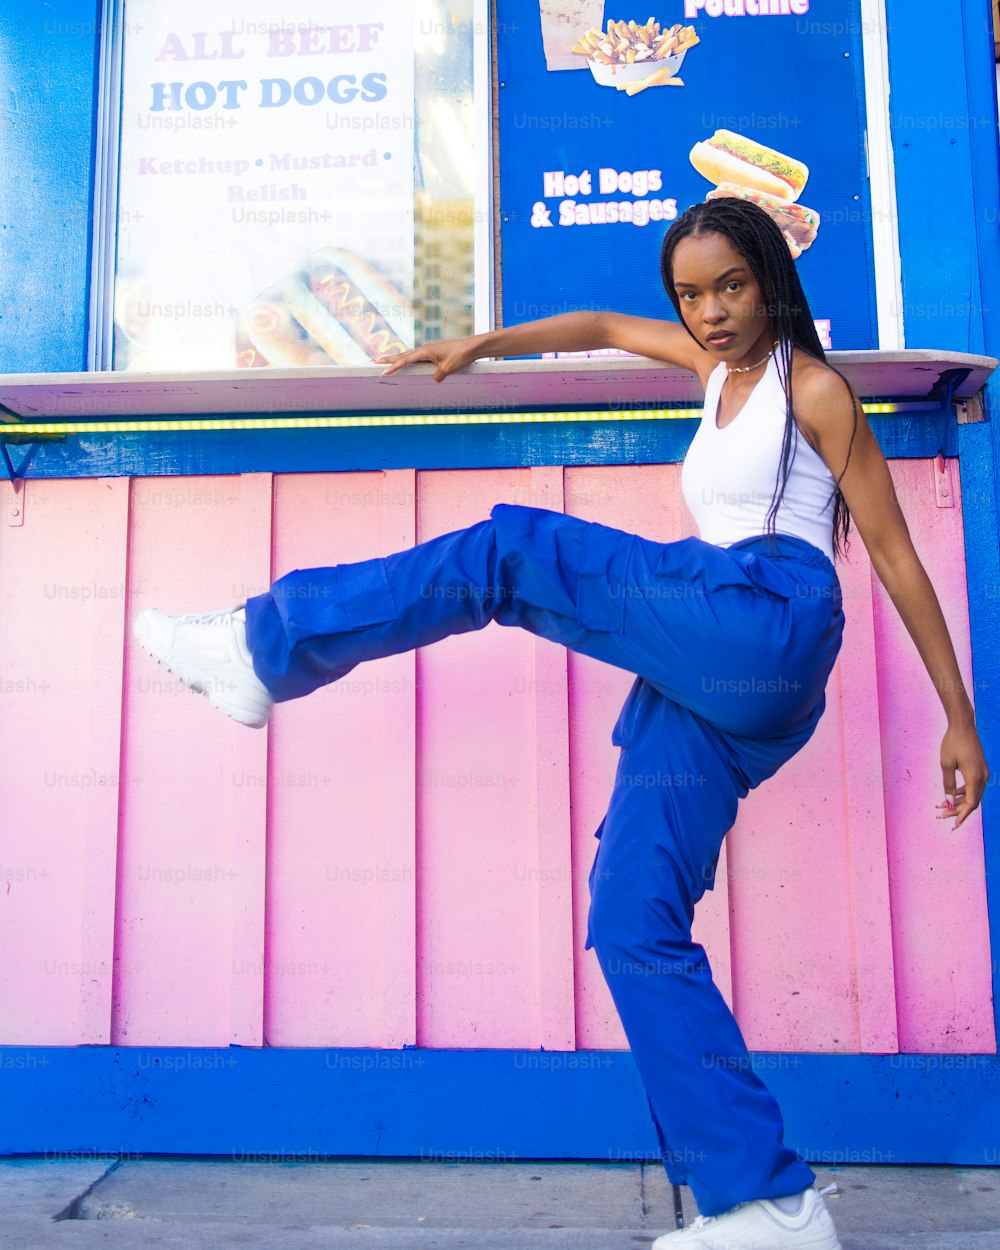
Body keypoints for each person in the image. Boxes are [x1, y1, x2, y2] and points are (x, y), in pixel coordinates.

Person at [133, 198, 989, 1249]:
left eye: (729, 285)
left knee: (508, 553)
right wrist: (484, 343)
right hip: (716, 669)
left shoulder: (811, 388)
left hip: (767, 618)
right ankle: (767, 1204)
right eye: (689, 293)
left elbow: (894, 552)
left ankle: (262, 645)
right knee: (630, 919)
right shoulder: (708, 365)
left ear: (769, 278)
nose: (711, 311)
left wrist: (959, 716)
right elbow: (594, 321)